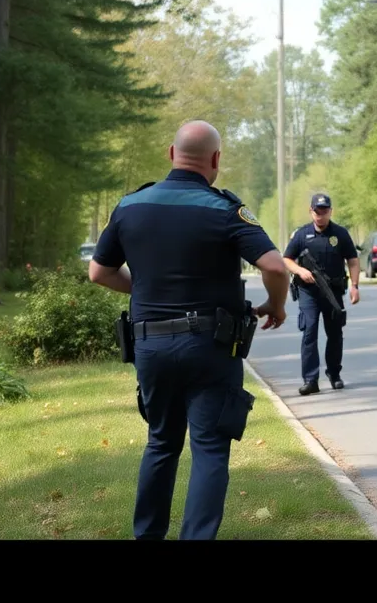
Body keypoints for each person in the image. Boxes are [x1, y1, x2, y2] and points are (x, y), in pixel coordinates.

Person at [88, 119, 290, 540]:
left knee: (161, 443)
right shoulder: (224, 209)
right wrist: (276, 304)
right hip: (210, 348)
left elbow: (99, 272)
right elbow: (273, 265)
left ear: (171, 154)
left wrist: (141, 286)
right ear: (215, 160)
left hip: (151, 346)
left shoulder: (129, 206)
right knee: (210, 449)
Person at [282, 193, 361, 395]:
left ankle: (334, 374)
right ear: (311, 211)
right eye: (317, 212)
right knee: (309, 332)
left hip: (333, 292)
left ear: (330, 212)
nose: (320, 216)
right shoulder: (301, 235)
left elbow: (352, 260)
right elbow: (287, 259)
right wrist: (300, 271)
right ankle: (310, 380)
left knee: (335, 334)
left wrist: (355, 285)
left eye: (324, 211)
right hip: (308, 292)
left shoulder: (340, 234)